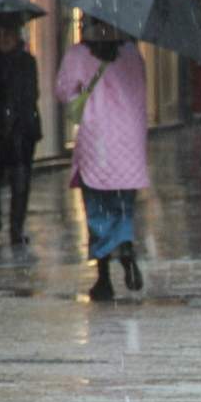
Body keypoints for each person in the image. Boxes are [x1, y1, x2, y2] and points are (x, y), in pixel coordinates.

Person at [53, 20, 149, 301]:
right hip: (129, 141)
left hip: (97, 140)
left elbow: (64, 92)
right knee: (122, 205)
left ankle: (104, 278)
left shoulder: (78, 54)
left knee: (97, 209)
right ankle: (126, 245)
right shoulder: (131, 52)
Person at [0, 21, 42, 246]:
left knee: (20, 181)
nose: (4, 38)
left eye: (9, 33)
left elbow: (31, 93)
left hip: (21, 131)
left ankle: (17, 227)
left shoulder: (26, 62)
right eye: (0, 33)